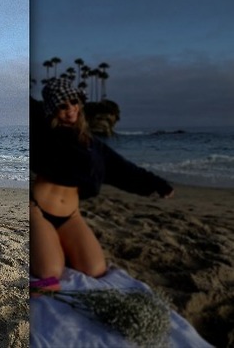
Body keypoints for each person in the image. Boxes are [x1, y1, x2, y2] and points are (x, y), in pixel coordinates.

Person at [29, 78, 174, 282]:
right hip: (38, 211)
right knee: (50, 273)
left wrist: (158, 185)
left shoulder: (91, 145)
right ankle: (48, 246)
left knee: (95, 269)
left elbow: (123, 168)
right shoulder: (42, 132)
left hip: (71, 215)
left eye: (73, 102)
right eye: (62, 105)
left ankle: (55, 245)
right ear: (53, 108)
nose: (70, 109)